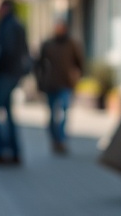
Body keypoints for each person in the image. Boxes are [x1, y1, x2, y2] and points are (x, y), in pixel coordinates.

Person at [0, 0, 30, 167]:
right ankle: (14, 152)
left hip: (4, 73)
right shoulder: (17, 24)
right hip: (13, 73)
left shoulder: (7, 25)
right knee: (7, 112)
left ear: (5, 8)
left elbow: (5, 50)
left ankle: (1, 151)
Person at [34, 18, 84, 155]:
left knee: (63, 112)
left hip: (65, 84)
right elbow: (38, 64)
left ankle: (61, 140)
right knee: (52, 115)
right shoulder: (48, 44)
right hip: (50, 84)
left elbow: (79, 62)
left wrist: (78, 76)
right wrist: (40, 82)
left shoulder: (71, 44)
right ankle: (54, 139)